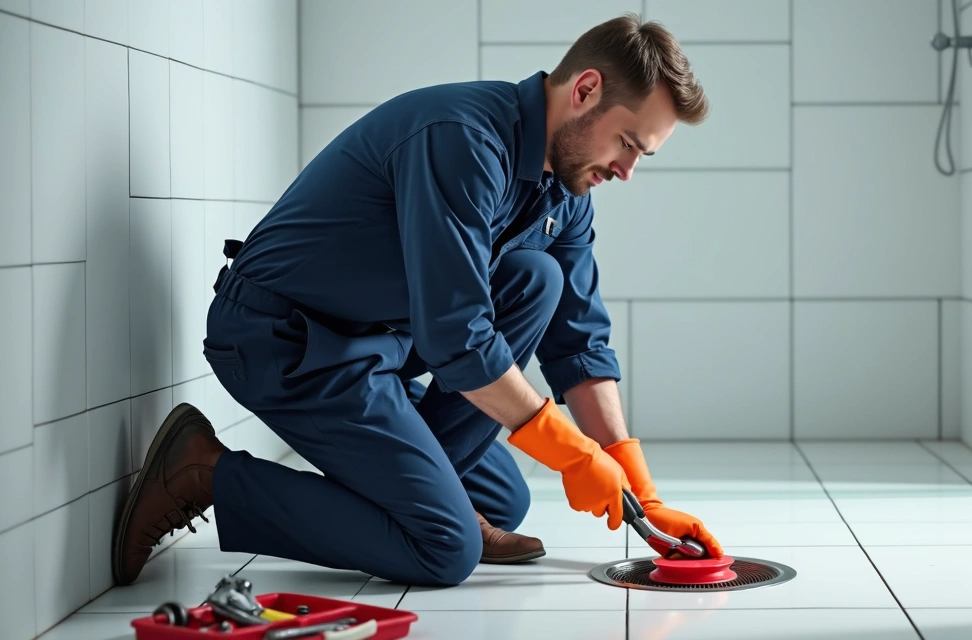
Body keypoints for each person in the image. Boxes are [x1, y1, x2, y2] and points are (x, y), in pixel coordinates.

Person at [111, 13, 723, 588]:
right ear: (585, 90)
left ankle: (410, 491)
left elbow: (579, 343)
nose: (626, 170)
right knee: (446, 545)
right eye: (628, 143)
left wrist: (642, 492)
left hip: (377, 352)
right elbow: (457, 333)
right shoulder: (463, 139)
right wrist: (571, 455)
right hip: (285, 343)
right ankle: (202, 471)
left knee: (504, 483)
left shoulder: (565, 190)